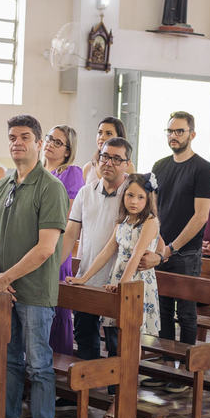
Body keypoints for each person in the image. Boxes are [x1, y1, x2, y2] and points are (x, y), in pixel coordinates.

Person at [0, 114, 69, 418]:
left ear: (38, 144)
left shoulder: (51, 187)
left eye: (24, 137)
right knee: (10, 362)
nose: (17, 142)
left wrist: (6, 278)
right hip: (3, 291)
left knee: (37, 364)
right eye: (12, 137)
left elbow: (46, 248)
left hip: (33, 292)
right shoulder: (3, 183)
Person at [67, 173, 162, 418]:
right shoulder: (121, 222)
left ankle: (123, 397)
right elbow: (107, 252)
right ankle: (114, 395)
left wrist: (123, 284)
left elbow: (137, 254)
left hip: (135, 287)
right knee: (112, 341)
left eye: (140, 197)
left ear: (148, 200)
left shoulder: (150, 222)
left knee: (128, 344)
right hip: (117, 283)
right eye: (130, 195)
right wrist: (83, 278)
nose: (134, 201)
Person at [153, 111, 210, 368]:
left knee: (187, 313)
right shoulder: (159, 166)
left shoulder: (202, 168)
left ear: (192, 134)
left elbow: (201, 216)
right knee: (163, 311)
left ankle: (187, 370)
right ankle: (167, 366)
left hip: (186, 253)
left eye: (179, 131)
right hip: (160, 249)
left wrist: (172, 247)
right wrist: (158, 245)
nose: (173, 136)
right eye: (170, 131)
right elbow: (153, 211)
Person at [64, 137, 131, 361]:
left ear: (126, 164)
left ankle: (115, 394)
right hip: (88, 275)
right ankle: (86, 392)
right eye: (104, 156)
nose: (108, 163)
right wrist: (55, 266)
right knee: (84, 338)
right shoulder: (86, 192)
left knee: (116, 344)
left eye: (116, 158)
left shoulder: (133, 196)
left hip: (118, 280)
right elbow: (71, 233)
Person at [43, 124, 82, 355]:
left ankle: (56, 368)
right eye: (49, 138)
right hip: (33, 247)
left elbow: (68, 217)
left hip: (57, 248)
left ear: (67, 151)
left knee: (55, 309)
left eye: (58, 142)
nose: (50, 143)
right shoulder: (36, 170)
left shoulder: (71, 172)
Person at [80, 116, 126, 187]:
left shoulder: (126, 167)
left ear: (119, 138)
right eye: (100, 133)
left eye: (108, 133)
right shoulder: (88, 168)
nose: (102, 137)